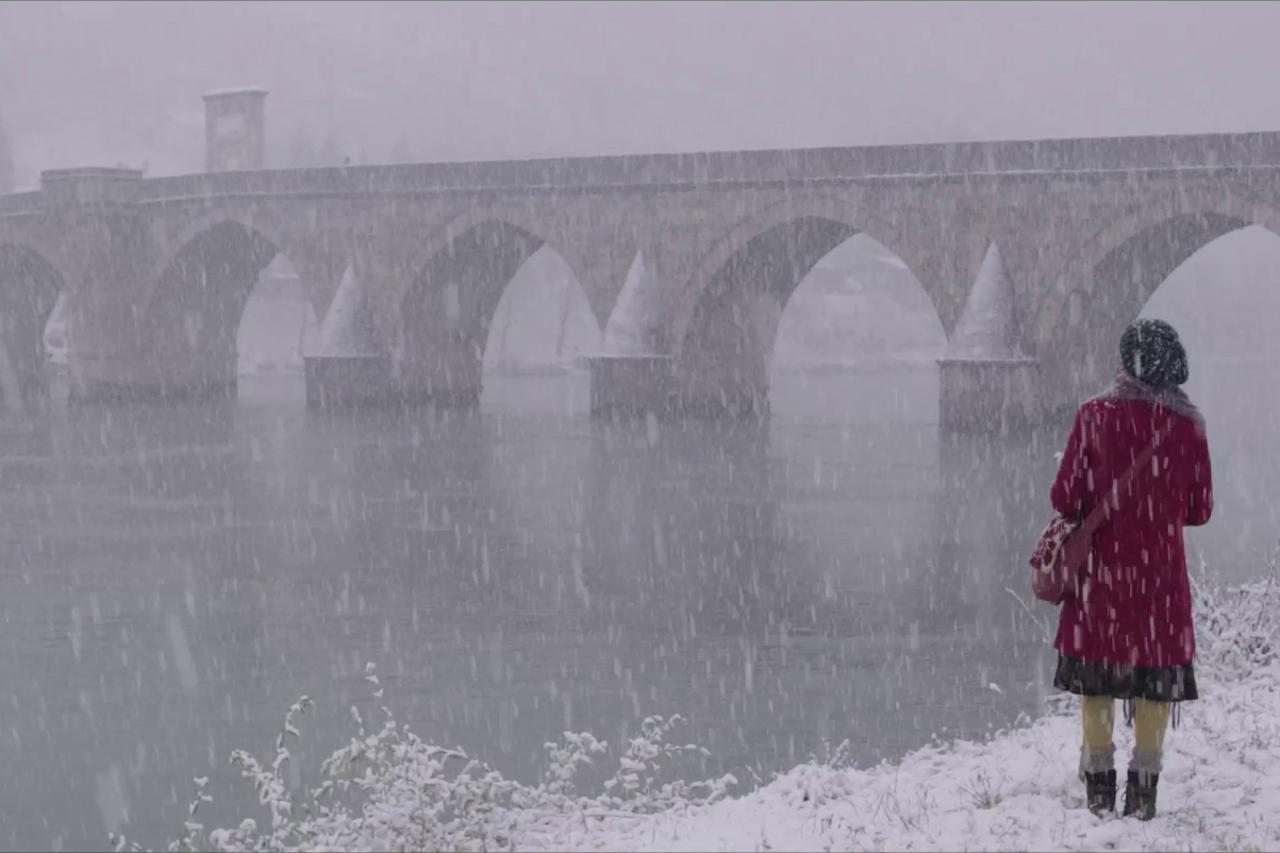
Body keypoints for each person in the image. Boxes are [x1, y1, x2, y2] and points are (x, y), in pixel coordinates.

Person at [1049, 318, 1213, 820]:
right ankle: (1144, 789)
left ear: (1126, 361)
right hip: (1158, 577)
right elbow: (1200, 509)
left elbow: (1064, 497)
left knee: (1097, 678)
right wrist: (1158, 513)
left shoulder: (1093, 415)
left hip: (1102, 576)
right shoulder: (1188, 425)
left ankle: (1099, 786)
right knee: (1154, 679)